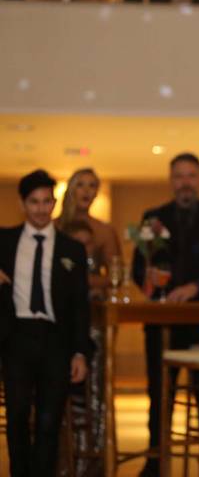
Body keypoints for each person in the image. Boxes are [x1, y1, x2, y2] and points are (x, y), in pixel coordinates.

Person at [131, 153, 199, 477]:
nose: (185, 182)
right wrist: (151, 282)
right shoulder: (152, 218)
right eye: (179, 176)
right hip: (161, 325)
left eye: (190, 176)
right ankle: (155, 463)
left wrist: (196, 288)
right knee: (159, 397)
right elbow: (137, 270)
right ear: (171, 180)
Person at [0, 169, 91, 477]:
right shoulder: (4, 241)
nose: (41, 209)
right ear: (22, 204)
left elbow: (80, 305)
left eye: (46, 202)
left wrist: (80, 352)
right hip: (16, 337)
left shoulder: (72, 249)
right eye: (34, 202)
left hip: (56, 340)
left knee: (50, 420)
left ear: (54, 203)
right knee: (16, 416)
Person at [56, 168, 121, 296]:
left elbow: (116, 275)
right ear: (71, 190)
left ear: (96, 192)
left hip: (91, 299)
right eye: (80, 185)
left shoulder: (105, 230)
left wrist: (81, 281)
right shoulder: (54, 226)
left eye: (92, 185)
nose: (86, 190)